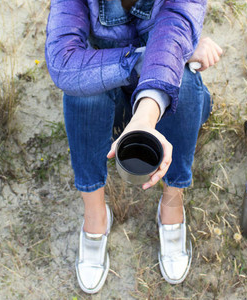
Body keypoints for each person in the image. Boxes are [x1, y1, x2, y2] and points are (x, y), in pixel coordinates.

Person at [45, 0, 222, 293]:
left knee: (186, 80)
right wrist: (154, 56)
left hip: (160, 100)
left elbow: (173, 30)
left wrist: (144, 118)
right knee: (80, 92)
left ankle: (172, 203)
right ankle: (95, 214)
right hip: (109, 91)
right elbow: (64, 64)